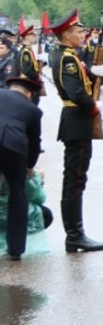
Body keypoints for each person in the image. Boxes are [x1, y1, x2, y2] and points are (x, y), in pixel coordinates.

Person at [50, 11, 103, 253]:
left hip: (75, 121)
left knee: (75, 178)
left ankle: (75, 233)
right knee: (75, 180)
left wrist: (95, 73)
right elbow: (76, 93)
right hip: (77, 120)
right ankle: (75, 235)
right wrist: (93, 106)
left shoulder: (69, 55)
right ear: (66, 35)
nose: (82, 34)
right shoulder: (68, 59)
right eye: (78, 31)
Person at [0, 72, 44, 260]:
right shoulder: (33, 110)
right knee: (17, 193)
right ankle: (16, 249)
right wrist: (29, 166)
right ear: (29, 95)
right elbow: (34, 142)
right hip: (14, 146)